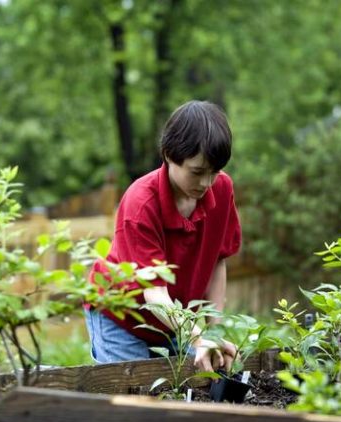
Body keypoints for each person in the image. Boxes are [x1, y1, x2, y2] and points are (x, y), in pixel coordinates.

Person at [84, 100, 241, 373]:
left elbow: (218, 260)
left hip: (173, 319)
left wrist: (214, 334)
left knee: (196, 382)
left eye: (214, 172)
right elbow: (154, 294)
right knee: (134, 397)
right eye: (197, 172)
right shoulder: (141, 203)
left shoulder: (222, 189)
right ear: (169, 155)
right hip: (123, 317)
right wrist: (197, 336)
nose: (206, 183)